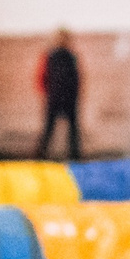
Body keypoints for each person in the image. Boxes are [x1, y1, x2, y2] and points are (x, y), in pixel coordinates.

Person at [35, 28, 83, 162]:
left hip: (69, 99)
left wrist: (76, 96)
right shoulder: (48, 56)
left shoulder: (72, 56)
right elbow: (41, 77)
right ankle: (40, 158)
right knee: (48, 130)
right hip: (54, 98)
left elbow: (77, 79)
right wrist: (46, 95)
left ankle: (76, 159)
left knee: (73, 131)